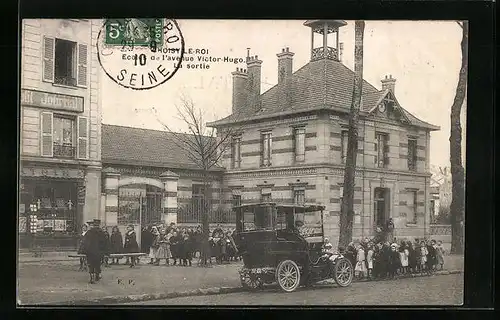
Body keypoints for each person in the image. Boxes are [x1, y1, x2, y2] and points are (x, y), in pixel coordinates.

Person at [81, 219, 107, 284]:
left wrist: (84, 250)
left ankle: (92, 278)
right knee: (97, 264)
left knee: (91, 265)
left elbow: (85, 242)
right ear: (99, 225)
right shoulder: (101, 232)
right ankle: (97, 276)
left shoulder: (89, 232)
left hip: (90, 252)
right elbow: (105, 243)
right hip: (99, 252)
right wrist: (104, 251)